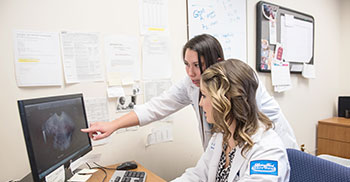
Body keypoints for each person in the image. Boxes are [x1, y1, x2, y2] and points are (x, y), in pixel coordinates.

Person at [100, 59, 293, 182]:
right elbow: (199, 175)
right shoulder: (223, 135)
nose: (200, 103)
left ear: (224, 102)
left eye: (205, 96)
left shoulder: (268, 151)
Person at [81, 34, 298, 150]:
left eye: (197, 65)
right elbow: (157, 107)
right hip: (231, 157)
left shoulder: (241, 82)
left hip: (270, 150)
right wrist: (113, 125)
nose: (191, 73)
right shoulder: (190, 84)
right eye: (186, 64)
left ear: (217, 62)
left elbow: (249, 129)